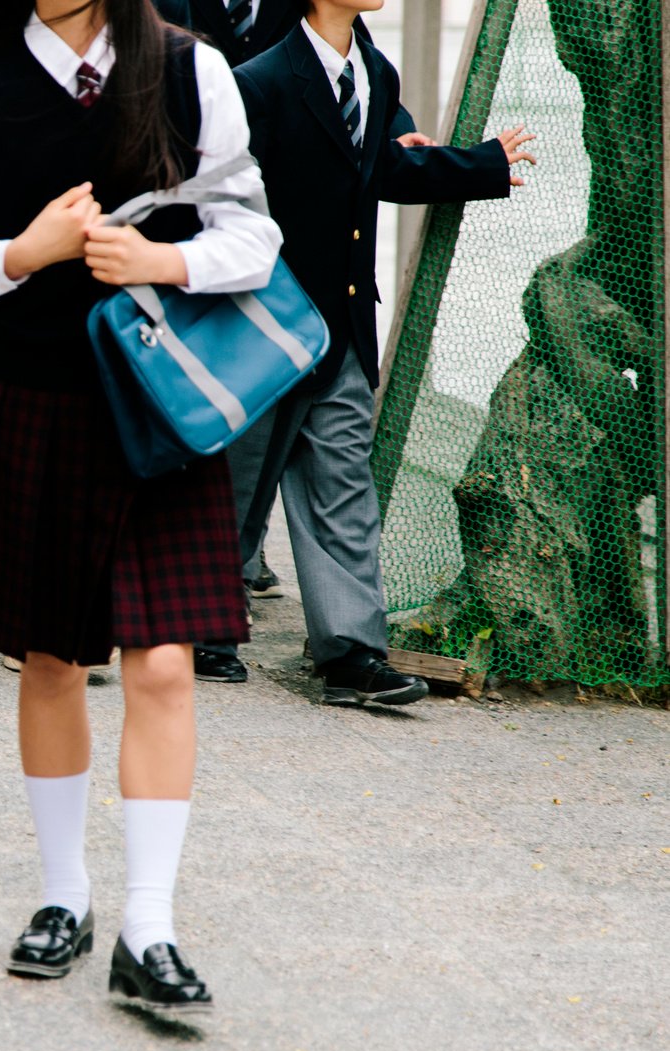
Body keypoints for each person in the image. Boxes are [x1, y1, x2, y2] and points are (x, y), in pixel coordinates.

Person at [0, 0, 280, 1010]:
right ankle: (62, 896)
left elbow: (252, 230)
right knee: (53, 657)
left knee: (160, 663)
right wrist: (18, 255)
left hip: (154, 411)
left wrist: (162, 261)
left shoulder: (188, 70)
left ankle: (147, 925)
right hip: (31, 396)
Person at [210, 0, 534, 705]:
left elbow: (388, 169)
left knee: (343, 487)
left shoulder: (372, 71)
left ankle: (351, 655)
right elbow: (217, 204)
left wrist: (481, 166)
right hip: (267, 329)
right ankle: (206, 627)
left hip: (346, 326)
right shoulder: (257, 82)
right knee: (240, 477)